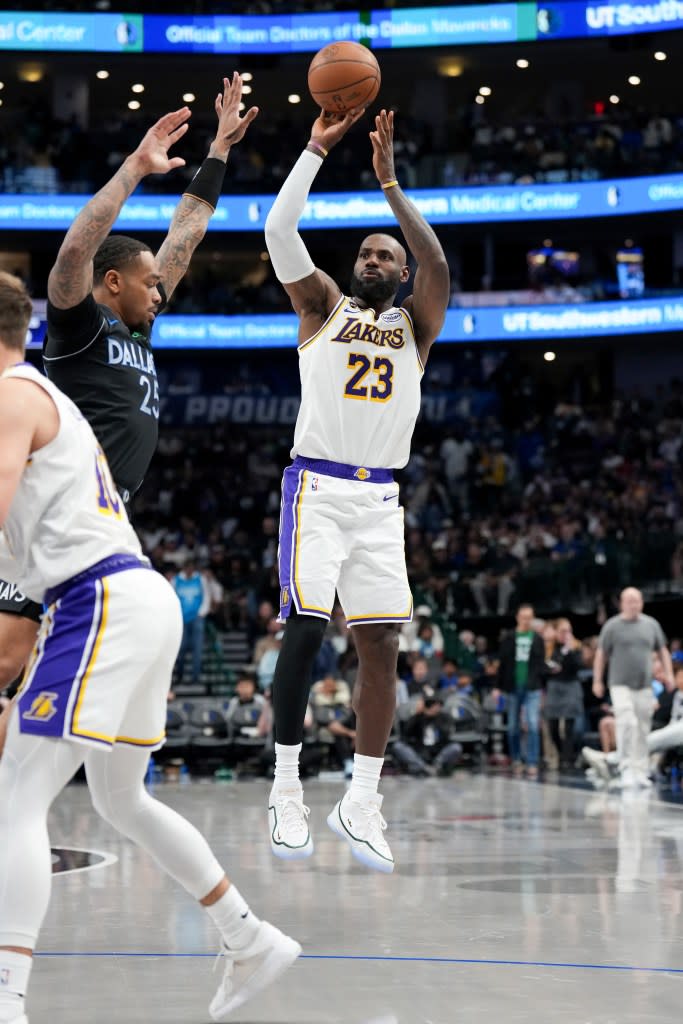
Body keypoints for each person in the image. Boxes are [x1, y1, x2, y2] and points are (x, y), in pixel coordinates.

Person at [0, 272, 299, 1024]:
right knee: (119, 797)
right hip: (133, 595)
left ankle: (6, 999)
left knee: (14, 800)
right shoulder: (40, 399)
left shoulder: (12, 395)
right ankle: (248, 935)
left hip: (99, 598)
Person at [0, 76, 259, 749]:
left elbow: (188, 231)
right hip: (42, 515)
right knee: (7, 660)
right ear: (112, 284)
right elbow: (75, 251)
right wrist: (135, 169)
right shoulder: (80, 328)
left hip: (96, 520)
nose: (161, 293)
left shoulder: (138, 329)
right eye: (148, 284)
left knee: (25, 678)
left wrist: (220, 149)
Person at [264, 106, 449, 872]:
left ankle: (361, 799)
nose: (373, 260)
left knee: (382, 645)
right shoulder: (322, 309)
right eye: (365, 254)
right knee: (306, 627)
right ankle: (284, 788)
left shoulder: (416, 325)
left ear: (399, 273)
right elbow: (280, 232)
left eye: (385, 255)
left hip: (380, 502)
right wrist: (311, 150)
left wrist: (390, 186)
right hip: (317, 490)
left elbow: (437, 266)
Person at [592, 587, 672, 788]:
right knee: (626, 720)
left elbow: (662, 651)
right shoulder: (612, 626)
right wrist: (597, 680)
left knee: (643, 727)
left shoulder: (651, 625)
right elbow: (601, 655)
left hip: (644, 685)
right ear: (622, 603)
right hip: (619, 684)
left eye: (637, 601)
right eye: (630, 601)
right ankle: (626, 766)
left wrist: (669, 674)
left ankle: (640, 769)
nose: (634, 605)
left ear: (642, 602)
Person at [493, 604, 546, 777]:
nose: (526, 620)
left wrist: (543, 684)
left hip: (532, 687)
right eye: (524, 617)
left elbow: (540, 664)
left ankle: (532, 761)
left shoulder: (537, 638)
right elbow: (502, 664)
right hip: (513, 686)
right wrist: (497, 687)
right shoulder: (509, 638)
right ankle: (516, 758)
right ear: (517, 617)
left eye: (530, 617)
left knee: (532, 724)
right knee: (513, 727)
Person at [544, 618, 584, 771]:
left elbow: (578, 666)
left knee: (569, 726)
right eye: (563, 631)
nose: (566, 634)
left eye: (569, 630)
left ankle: (566, 760)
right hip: (554, 687)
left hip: (571, 686)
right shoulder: (550, 647)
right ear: (556, 632)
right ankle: (561, 753)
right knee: (553, 726)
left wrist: (569, 650)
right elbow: (545, 668)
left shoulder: (576, 646)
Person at [392, 693, 462, 777]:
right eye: (433, 705)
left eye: (438, 705)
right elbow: (406, 733)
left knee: (455, 747)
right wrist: (418, 715)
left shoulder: (444, 717)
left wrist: (435, 718)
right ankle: (423, 767)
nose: (436, 708)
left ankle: (436, 766)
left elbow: (446, 734)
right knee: (398, 746)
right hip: (420, 751)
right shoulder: (418, 717)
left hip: (439, 750)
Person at [173, 559, 210, 688]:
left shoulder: (201, 579)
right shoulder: (176, 580)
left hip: (197, 618)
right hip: (181, 619)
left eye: (191, 568)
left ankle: (195, 677)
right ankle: (179, 676)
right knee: (180, 649)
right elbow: (172, 597)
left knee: (197, 649)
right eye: (187, 568)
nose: (189, 571)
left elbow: (206, 597)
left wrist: (201, 613)